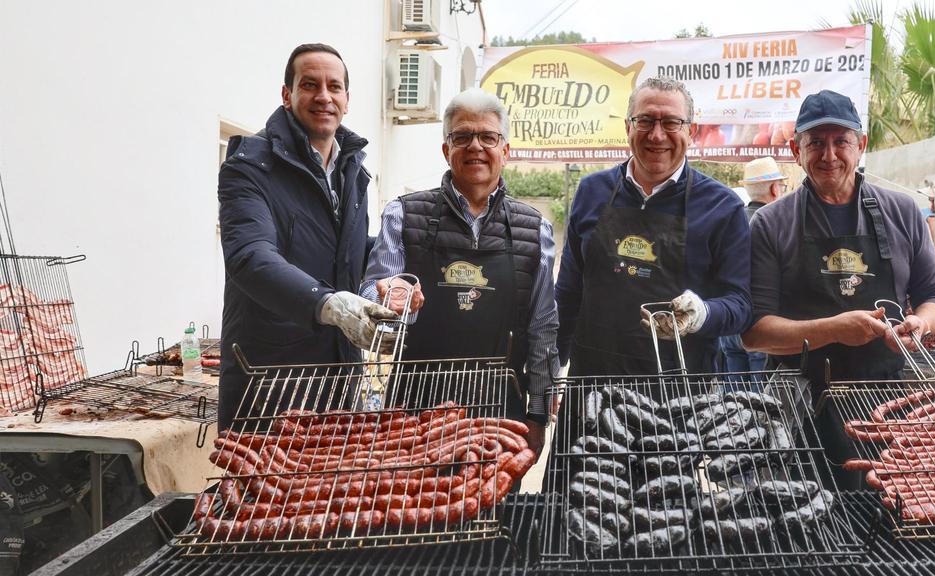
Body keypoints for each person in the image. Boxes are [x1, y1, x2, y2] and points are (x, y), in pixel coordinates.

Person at [741, 90, 935, 485]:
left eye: (841, 142)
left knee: (882, 512)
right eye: (816, 143)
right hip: (796, 406)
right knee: (801, 520)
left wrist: (919, 326)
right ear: (795, 150)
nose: (829, 155)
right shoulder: (770, 224)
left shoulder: (902, 212)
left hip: (885, 404)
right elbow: (753, 333)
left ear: (862, 145)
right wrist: (835, 329)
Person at [360, 88, 558, 454]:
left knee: (496, 509)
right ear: (445, 149)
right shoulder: (403, 215)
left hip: (502, 412)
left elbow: (543, 329)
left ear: (506, 150)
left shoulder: (535, 229)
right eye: (462, 137)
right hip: (415, 411)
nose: (476, 146)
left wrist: (539, 412)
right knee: (414, 509)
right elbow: (369, 300)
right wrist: (384, 297)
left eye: (488, 136)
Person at [217, 44, 397, 430]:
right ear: (287, 95)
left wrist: (392, 265)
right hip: (270, 385)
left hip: (339, 380)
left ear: (347, 99)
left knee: (335, 488)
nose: (324, 97)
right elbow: (250, 257)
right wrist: (329, 304)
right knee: (264, 490)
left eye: (334, 87)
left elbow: (343, 254)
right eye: (310, 85)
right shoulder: (249, 167)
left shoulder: (352, 171)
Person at [555, 76, 752, 379]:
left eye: (672, 122)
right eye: (645, 120)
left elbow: (740, 305)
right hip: (591, 388)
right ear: (628, 127)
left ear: (692, 131)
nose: (657, 135)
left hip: (680, 398)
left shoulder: (723, 207)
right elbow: (568, 292)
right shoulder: (592, 191)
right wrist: (552, 367)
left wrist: (703, 314)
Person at [717, 157, 786, 385]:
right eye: (781, 185)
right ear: (775, 189)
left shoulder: (730, 223)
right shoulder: (776, 225)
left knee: (731, 405)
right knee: (759, 407)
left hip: (729, 322)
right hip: (761, 324)